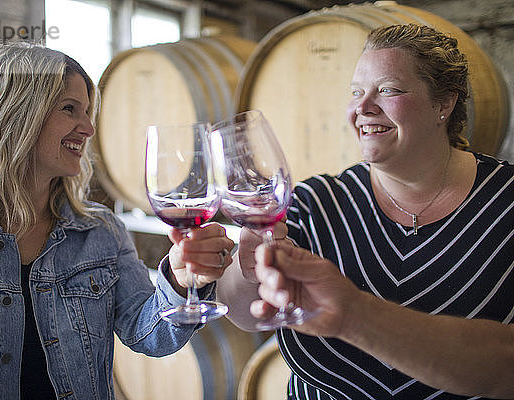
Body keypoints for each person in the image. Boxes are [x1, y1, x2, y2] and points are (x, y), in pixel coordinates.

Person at [0, 43, 235, 399]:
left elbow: (149, 335)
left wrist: (179, 279)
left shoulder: (101, 232)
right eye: (70, 109)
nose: (88, 128)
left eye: (86, 112)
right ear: (16, 114)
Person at [218, 24, 514, 399]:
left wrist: (357, 315)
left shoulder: (506, 202)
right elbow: (244, 314)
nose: (363, 106)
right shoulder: (316, 201)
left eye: (388, 90)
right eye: (357, 92)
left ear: (444, 103)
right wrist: (248, 266)